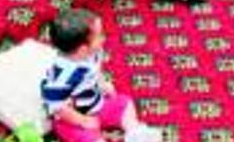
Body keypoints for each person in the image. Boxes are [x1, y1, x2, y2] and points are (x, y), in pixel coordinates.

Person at [41, 9, 163, 142]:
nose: (104, 38)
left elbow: (95, 71)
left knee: (124, 103)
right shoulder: (61, 78)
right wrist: (83, 121)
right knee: (85, 136)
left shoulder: (93, 52)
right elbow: (58, 108)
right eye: (100, 35)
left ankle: (135, 132)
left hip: (96, 104)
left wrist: (103, 84)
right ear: (83, 49)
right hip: (72, 119)